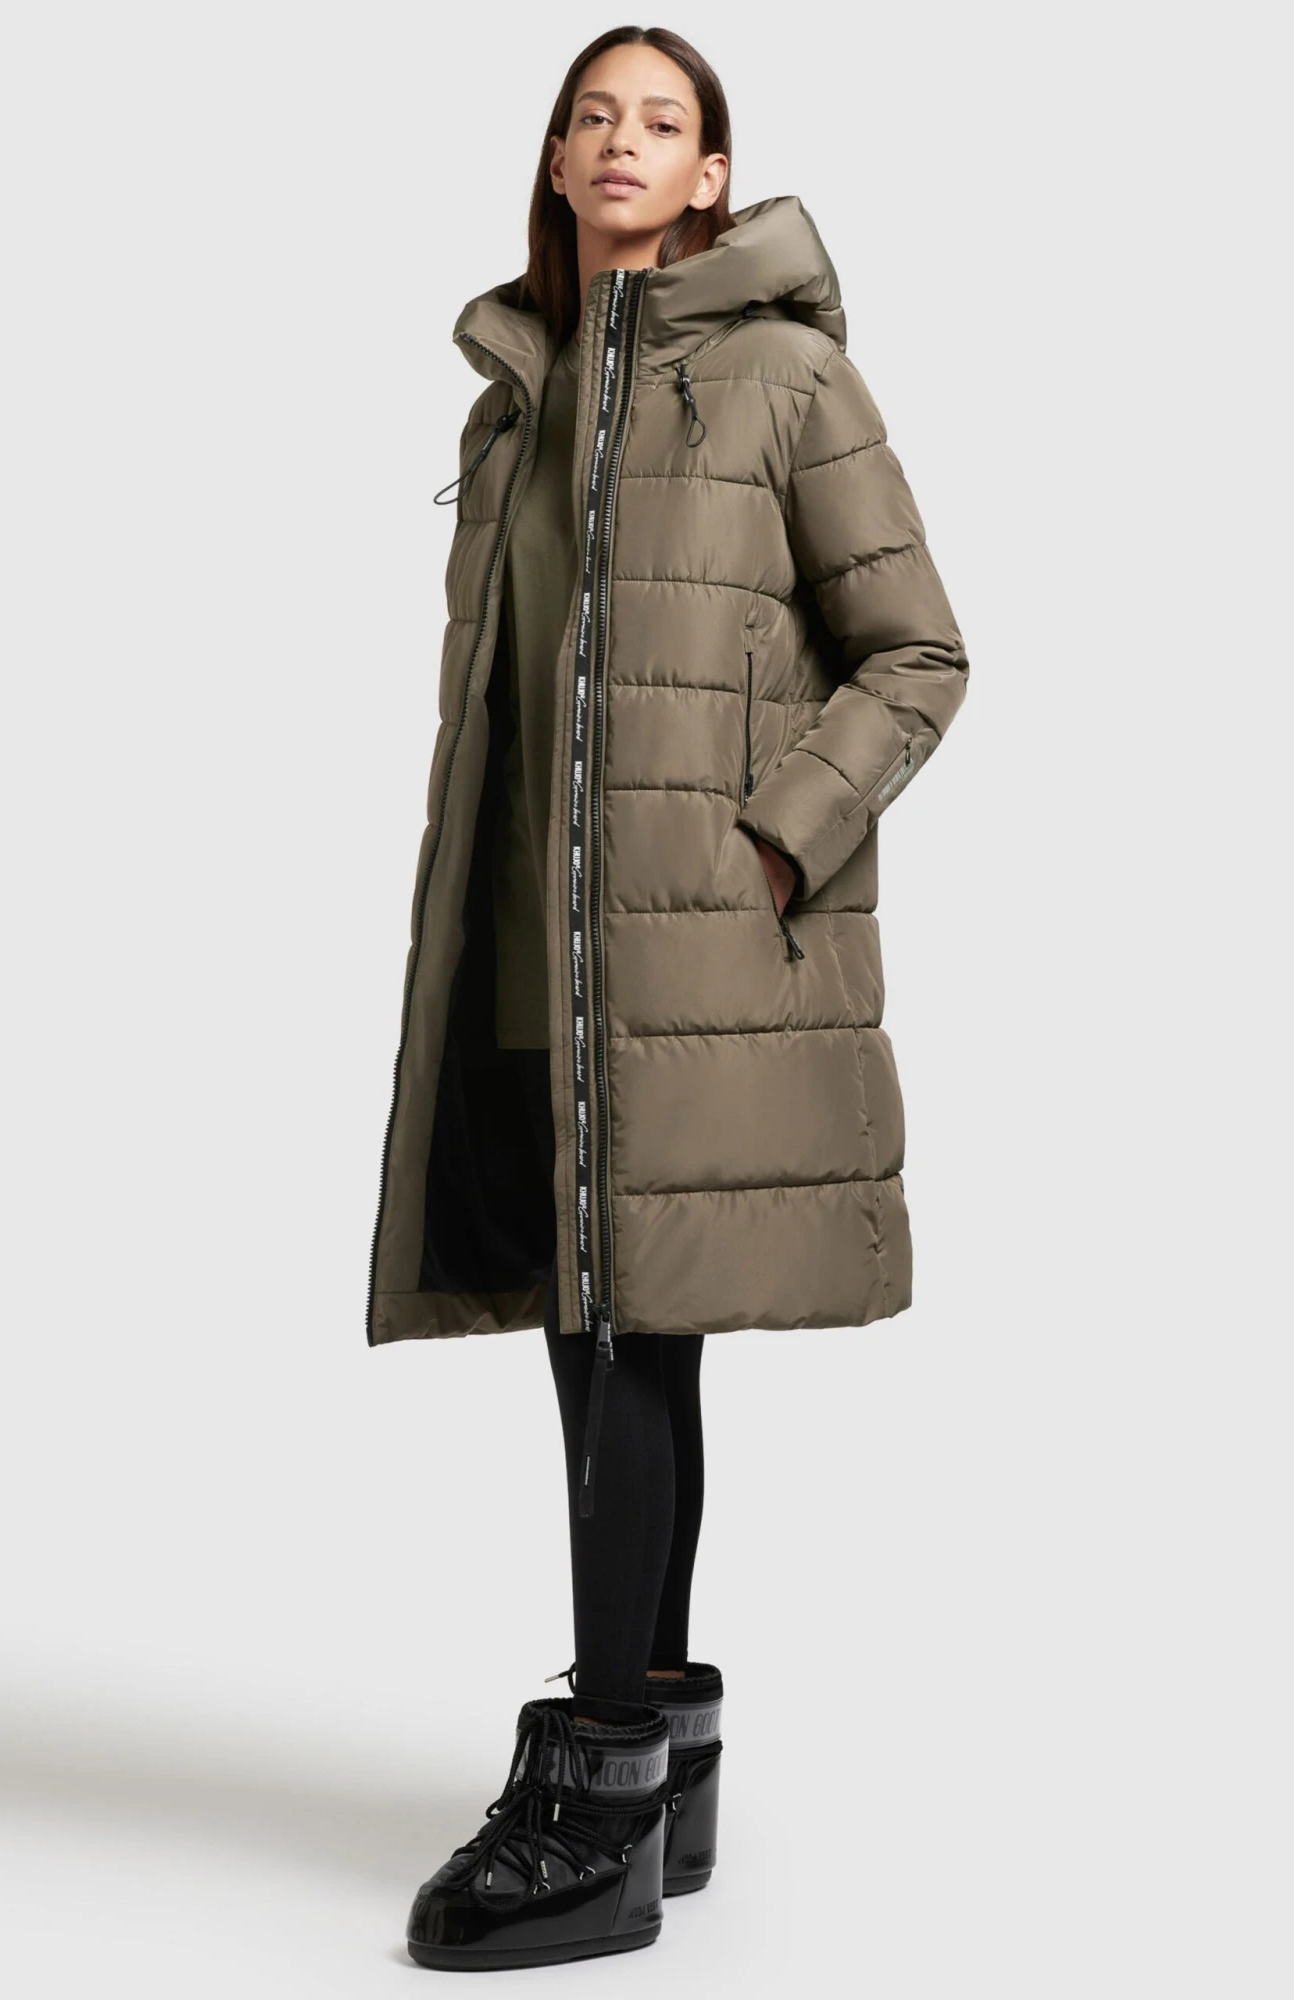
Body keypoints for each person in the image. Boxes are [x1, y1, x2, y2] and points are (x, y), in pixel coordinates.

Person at [366, 25, 969, 1973]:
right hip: (535, 952)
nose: (618, 142)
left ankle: (595, 1787)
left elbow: (918, 654)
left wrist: (773, 841)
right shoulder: (515, 403)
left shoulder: (786, 379)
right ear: (556, 161)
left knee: (623, 1342)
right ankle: (662, 1765)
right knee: (614, 1337)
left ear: (713, 174)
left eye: (661, 121)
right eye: (590, 116)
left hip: (692, 953)